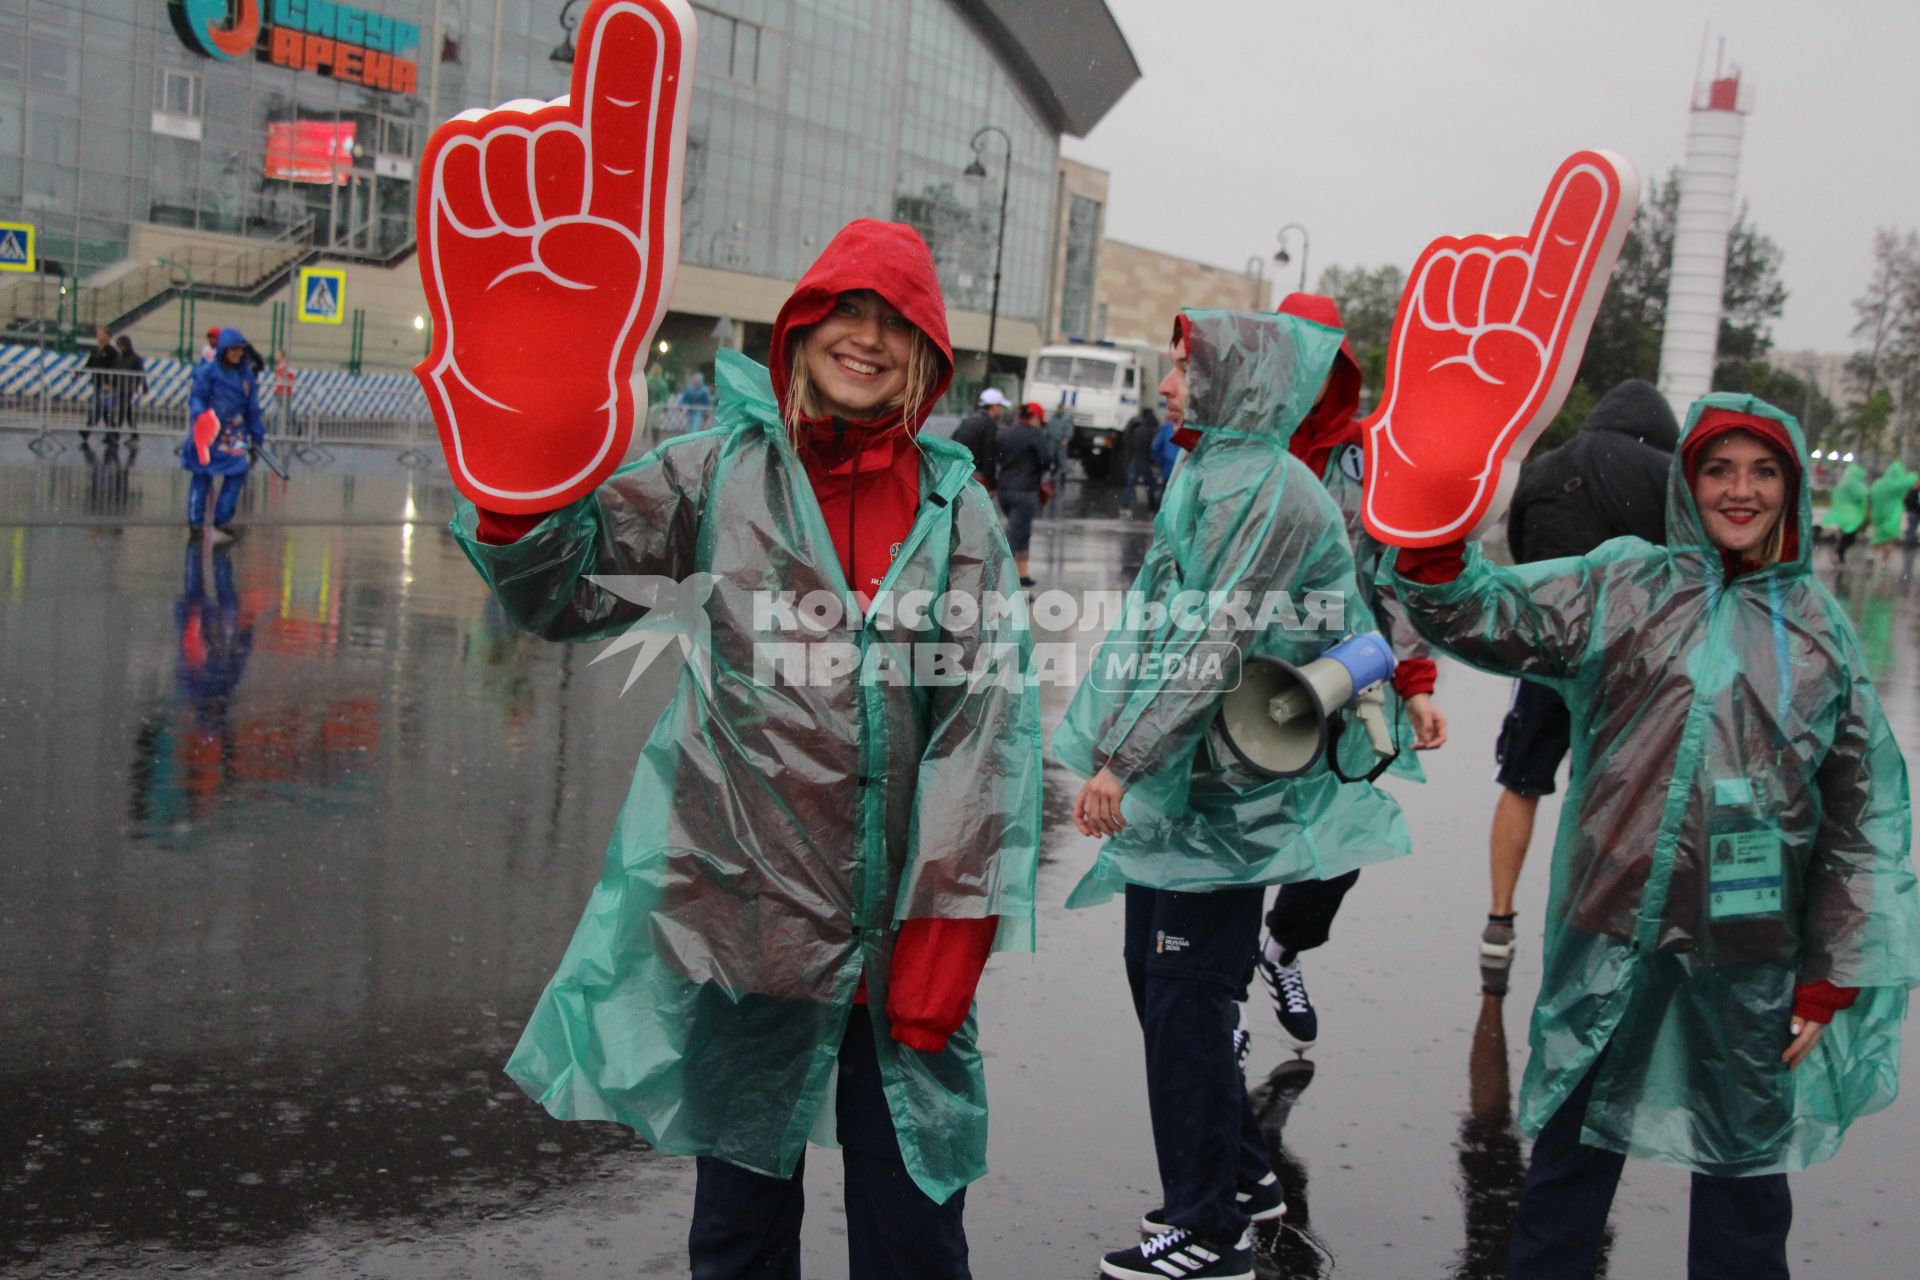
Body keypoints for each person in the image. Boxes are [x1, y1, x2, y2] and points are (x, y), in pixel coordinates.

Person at [454, 219, 1040, 1280]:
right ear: (803, 324)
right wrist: (518, 470)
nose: (865, 339)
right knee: (738, 1226)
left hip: (894, 930)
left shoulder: (959, 516)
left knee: (914, 1228)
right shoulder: (718, 471)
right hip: (746, 916)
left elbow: (983, 728)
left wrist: (947, 922)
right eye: (846, 311)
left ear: (927, 355)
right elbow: (566, 584)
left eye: (895, 323)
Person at [1387, 394, 1918, 1280]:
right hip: (1609, 930)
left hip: (1751, 953)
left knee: (1745, 1190)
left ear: (1791, 486)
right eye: (1719, 469)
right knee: (1566, 1172)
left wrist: (1832, 968)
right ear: (1687, 479)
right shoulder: (1624, 584)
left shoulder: (1821, 630)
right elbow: (1489, 612)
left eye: (1763, 470)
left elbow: (1859, 812)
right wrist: (1438, 540)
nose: (1739, 491)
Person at [1056, 308, 1410, 1280]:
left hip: (1233, 788)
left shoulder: (1265, 486)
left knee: (1185, 994)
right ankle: (1242, 1175)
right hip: (1191, 775)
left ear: (1239, 382)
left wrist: (1122, 757)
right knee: (1156, 976)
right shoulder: (1212, 468)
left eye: (1182, 368)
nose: (1166, 385)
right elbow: (1163, 623)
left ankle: (1207, 1227)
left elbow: (1214, 641)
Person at [1249, 293, 1449, 1052]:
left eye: (1319, 363)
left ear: (1340, 368)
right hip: (1247, 684)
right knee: (1240, 843)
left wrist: (1418, 683)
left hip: (1349, 677)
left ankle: (1282, 950)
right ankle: (1222, 999)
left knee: (1343, 842)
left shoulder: (1369, 459)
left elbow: (1393, 574)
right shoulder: (1240, 450)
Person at [1478, 379, 1677, 979]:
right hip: (1633, 661)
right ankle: (1596, 924)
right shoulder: (1671, 474)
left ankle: (1499, 918)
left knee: (1521, 782)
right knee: (1616, 793)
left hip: (1547, 652)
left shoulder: (1547, 467)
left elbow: (1516, 553)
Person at [182, 327, 264, 541]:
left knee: (237, 474)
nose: (237, 354)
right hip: (209, 431)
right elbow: (197, 397)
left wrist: (257, 435)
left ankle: (222, 519)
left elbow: (252, 408)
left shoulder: (246, 377)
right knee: (202, 474)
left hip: (234, 435)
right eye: (233, 349)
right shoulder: (208, 372)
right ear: (224, 350)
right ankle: (195, 522)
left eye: (240, 350)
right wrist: (201, 416)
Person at [996, 401, 1053, 586]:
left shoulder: (1006, 432)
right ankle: (1002, 576)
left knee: (1021, 530)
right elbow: (1045, 460)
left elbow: (998, 456)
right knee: (1015, 532)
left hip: (1004, 489)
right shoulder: (1035, 434)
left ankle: (1022, 573)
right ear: (1035, 418)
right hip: (1025, 490)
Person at [950, 388, 1008, 491]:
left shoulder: (969, 419)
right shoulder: (989, 424)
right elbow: (989, 455)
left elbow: (954, 441)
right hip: (976, 476)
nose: (1002, 410)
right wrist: (992, 483)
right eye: (1001, 406)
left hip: (960, 472)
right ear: (994, 406)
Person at [1867, 460, 1916, 566]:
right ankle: (1883, 560)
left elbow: (1870, 497)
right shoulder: (1894, 485)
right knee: (1890, 538)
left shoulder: (1878, 483)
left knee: (1879, 535)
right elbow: (1910, 480)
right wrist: (1914, 475)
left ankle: (1873, 555)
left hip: (1877, 515)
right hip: (1891, 516)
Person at [1825, 460, 1869, 565]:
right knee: (1850, 536)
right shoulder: (1857, 486)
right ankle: (1839, 552)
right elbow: (1863, 496)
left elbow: (1836, 495)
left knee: (1846, 535)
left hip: (1843, 514)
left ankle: (1839, 553)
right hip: (1853, 515)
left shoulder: (1844, 484)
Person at [1122, 402, 1162, 513]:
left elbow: (1129, 442)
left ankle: (1124, 506)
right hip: (1145, 460)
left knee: (1130, 484)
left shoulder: (1136, 429)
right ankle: (1152, 508)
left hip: (1134, 459)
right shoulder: (1151, 431)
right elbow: (1153, 448)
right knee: (1150, 485)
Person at [82, 326, 119, 445]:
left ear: (108, 337)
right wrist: (78, 373)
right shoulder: (95, 350)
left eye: (101, 334)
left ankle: (87, 430)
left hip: (106, 386)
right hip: (97, 383)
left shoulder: (112, 352)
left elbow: (116, 369)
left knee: (99, 407)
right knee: (104, 410)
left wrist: (111, 384)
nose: (99, 337)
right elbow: (89, 364)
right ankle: (113, 434)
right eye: (98, 334)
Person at [114, 335, 148, 436]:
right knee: (127, 409)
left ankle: (116, 431)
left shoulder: (135, 358)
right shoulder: (120, 358)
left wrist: (144, 386)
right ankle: (134, 433)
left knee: (122, 407)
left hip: (129, 387)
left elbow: (141, 372)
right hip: (120, 386)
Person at [673, 368, 713, 432]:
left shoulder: (704, 390)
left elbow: (707, 402)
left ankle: (694, 440)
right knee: (689, 428)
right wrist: (680, 408)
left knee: (695, 428)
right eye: (693, 379)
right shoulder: (689, 389)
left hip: (699, 412)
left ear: (700, 380)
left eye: (696, 379)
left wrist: (706, 413)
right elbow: (684, 399)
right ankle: (691, 440)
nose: (694, 381)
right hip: (690, 412)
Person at [271, 349, 297, 437]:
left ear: (282, 356)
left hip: (286, 394)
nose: (276, 356)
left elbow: (292, 379)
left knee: (288, 414)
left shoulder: (286, 368)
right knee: (274, 414)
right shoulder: (278, 367)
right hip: (278, 393)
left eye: (277, 355)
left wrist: (283, 380)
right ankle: (273, 433)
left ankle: (296, 429)